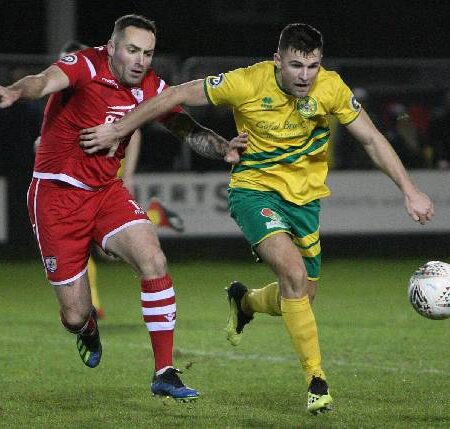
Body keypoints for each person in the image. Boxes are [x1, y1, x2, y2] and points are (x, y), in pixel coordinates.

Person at [77, 23, 434, 414]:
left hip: (305, 203)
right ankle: (317, 381)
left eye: (312, 66)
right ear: (277, 60)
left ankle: (245, 302)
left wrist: (409, 189)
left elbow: (371, 139)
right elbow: (177, 95)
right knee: (293, 274)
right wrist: (121, 128)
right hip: (254, 192)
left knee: (300, 296)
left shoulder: (331, 88)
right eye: (296, 65)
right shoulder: (246, 82)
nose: (304, 75)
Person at [0, 14, 246, 401]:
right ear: (112, 47)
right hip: (57, 198)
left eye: (147, 53)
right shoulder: (84, 65)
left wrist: (222, 149)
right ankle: (85, 329)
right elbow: (44, 81)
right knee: (76, 314)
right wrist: (16, 91)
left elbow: (185, 128)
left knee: (153, 258)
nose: (140, 61)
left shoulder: (151, 86)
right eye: (132, 50)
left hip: (105, 193)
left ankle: (164, 371)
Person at [33, 41, 185, 319]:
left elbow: (133, 130)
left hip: (104, 181)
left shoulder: (102, 88)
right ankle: (156, 214)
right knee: (93, 256)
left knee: (117, 254)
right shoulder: (64, 99)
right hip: (72, 187)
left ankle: (96, 307)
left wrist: (127, 175)